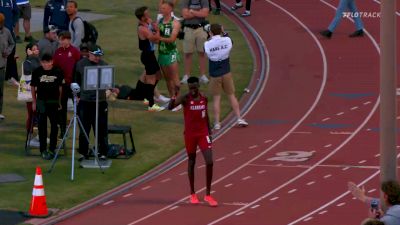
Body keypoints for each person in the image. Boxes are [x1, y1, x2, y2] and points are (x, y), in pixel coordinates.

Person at [168, 76, 218, 207]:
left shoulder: (204, 98)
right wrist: (174, 94)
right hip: (190, 135)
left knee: (210, 161)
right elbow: (170, 107)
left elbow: (205, 115)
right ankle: (193, 193)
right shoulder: (185, 99)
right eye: (191, 88)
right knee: (191, 161)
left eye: (195, 88)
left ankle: (208, 194)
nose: (193, 91)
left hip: (203, 134)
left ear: (199, 86)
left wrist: (209, 132)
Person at [204, 24, 248, 130]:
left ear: (210, 32)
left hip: (215, 74)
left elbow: (206, 52)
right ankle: (239, 118)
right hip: (226, 71)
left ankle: (217, 123)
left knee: (216, 99)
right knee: (231, 95)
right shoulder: (227, 40)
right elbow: (230, 42)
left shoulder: (207, 44)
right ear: (220, 31)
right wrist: (224, 33)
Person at [73, 44, 108, 161]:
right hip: (85, 101)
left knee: (101, 128)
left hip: (101, 101)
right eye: (96, 56)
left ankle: (102, 152)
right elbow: (76, 81)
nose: (98, 58)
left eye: (99, 56)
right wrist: (77, 96)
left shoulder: (104, 65)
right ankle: (84, 152)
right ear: (89, 53)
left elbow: (108, 81)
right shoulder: (80, 65)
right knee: (84, 129)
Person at [31, 53, 64, 160]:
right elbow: (32, 87)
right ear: (41, 62)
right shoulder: (37, 71)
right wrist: (34, 102)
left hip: (53, 102)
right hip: (41, 101)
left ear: (52, 62)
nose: (45, 64)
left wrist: (59, 102)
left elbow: (60, 88)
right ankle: (43, 149)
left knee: (54, 125)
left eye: (48, 62)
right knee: (42, 126)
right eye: (43, 62)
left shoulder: (57, 71)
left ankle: (52, 148)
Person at [135, 6, 163, 112]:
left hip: (150, 54)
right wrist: (157, 30)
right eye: (147, 13)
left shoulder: (148, 22)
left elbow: (153, 24)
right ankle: (151, 105)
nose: (149, 14)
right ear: (142, 18)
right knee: (151, 80)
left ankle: (145, 96)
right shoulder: (142, 28)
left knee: (158, 75)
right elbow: (155, 40)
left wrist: (155, 26)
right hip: (147, 56)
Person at [53, 31, 80, 137]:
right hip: (62, 85)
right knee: (62, 108)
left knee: (77, 107)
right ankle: (63, 130)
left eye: (65, 39)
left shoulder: (74, 51)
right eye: (61, 39)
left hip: (73, 84)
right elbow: (55, 67)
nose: (63, 41)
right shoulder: (58, 52)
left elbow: (79, 66)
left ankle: (81, 131)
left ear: (69, 40)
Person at [180, 0, 210, 84]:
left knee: (202, 52)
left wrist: (192, 11)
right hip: (188, 29)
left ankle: (202, 75)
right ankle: (187, 76)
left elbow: (205, 14)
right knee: (188, 53)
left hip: (201, 29)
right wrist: (199, 12)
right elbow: (185, 15)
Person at [158, 1, 181, 99]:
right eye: (161, 8)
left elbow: (172, 39)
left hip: (171, 53)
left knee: (175, 78)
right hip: (162, 53)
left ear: (170, 10)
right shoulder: (159, 21)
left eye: (164, 8)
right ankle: (172, 98)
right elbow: (156, 38)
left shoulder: (175, 23)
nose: (161, 10)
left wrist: (158, 38)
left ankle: (178, 99)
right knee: (167, 79)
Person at [23, 42, 40, 141]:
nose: (36, 51)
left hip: (40, 90)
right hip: (30, 91)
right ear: (29, 51)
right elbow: (27, 71)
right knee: (31, 113)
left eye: (37, 49)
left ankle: (39, 134)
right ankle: (29, 134)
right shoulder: (27, 61)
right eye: (33, 49)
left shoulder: (39, 59)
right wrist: (30, 57)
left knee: (40, 113)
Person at [0, 13, 15, 120]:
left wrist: (8, 52)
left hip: (1, 65)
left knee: (0, 90)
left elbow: (12, 43)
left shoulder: (6, 32)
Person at [0, 0, 19, 85]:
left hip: (8, 30)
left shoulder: (11, 1)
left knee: (11, 52)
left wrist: (12, 23)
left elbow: (16, 12)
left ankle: (11, 76)